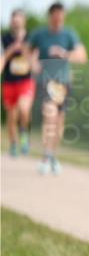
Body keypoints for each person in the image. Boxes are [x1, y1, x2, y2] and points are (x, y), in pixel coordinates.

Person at [29, 2, 87, 175]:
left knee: (59, 122)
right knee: (50, 114)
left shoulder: (69, 34)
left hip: (64, 83)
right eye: (55, 15)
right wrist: (33, 63)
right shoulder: (39, 34)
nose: (58, 19)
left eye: (61, 15)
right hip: (47, 82)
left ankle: (52, 155)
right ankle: (46, 156)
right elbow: (27, 51)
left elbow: (83, 57)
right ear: (50, 16)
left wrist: (65, 54)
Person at [2, 10, 36, 157]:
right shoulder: (4, 39)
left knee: (24, 109)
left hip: (25, 81)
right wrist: (11, 50)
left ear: (24, 21)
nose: (16, 22)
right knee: (11, 115)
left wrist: (23, 49)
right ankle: (13, 144)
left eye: (19, 19)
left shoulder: (31, 38)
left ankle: (24, 135)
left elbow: (34, 61)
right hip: (9, 82)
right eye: (14, 20)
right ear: (11, 22)